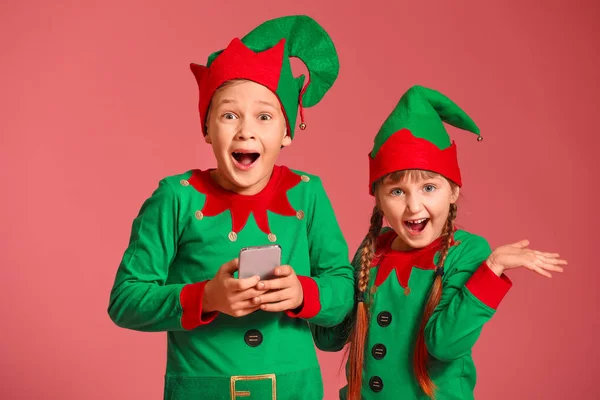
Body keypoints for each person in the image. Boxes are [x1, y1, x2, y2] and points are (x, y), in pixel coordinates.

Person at [108, 15, 354, 400]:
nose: (246, 130)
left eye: (264, 116)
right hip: (202, 389)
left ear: (286, 132)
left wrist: (303, 293)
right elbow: (125, 300)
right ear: (206, 128)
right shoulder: (176, 197)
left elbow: (343, 288)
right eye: (228, 115)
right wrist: (206, 297)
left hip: (295, 389)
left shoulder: (309, 193)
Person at [312, 85, 567, 400]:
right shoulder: (372, 250)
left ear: (454, 191)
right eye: (396, 191)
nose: (413, 206)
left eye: (429, 188)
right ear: (377, 198)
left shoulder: (467, 252)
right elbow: (329, 339)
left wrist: (492, 269)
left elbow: (444, 343)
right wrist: (311, 280)